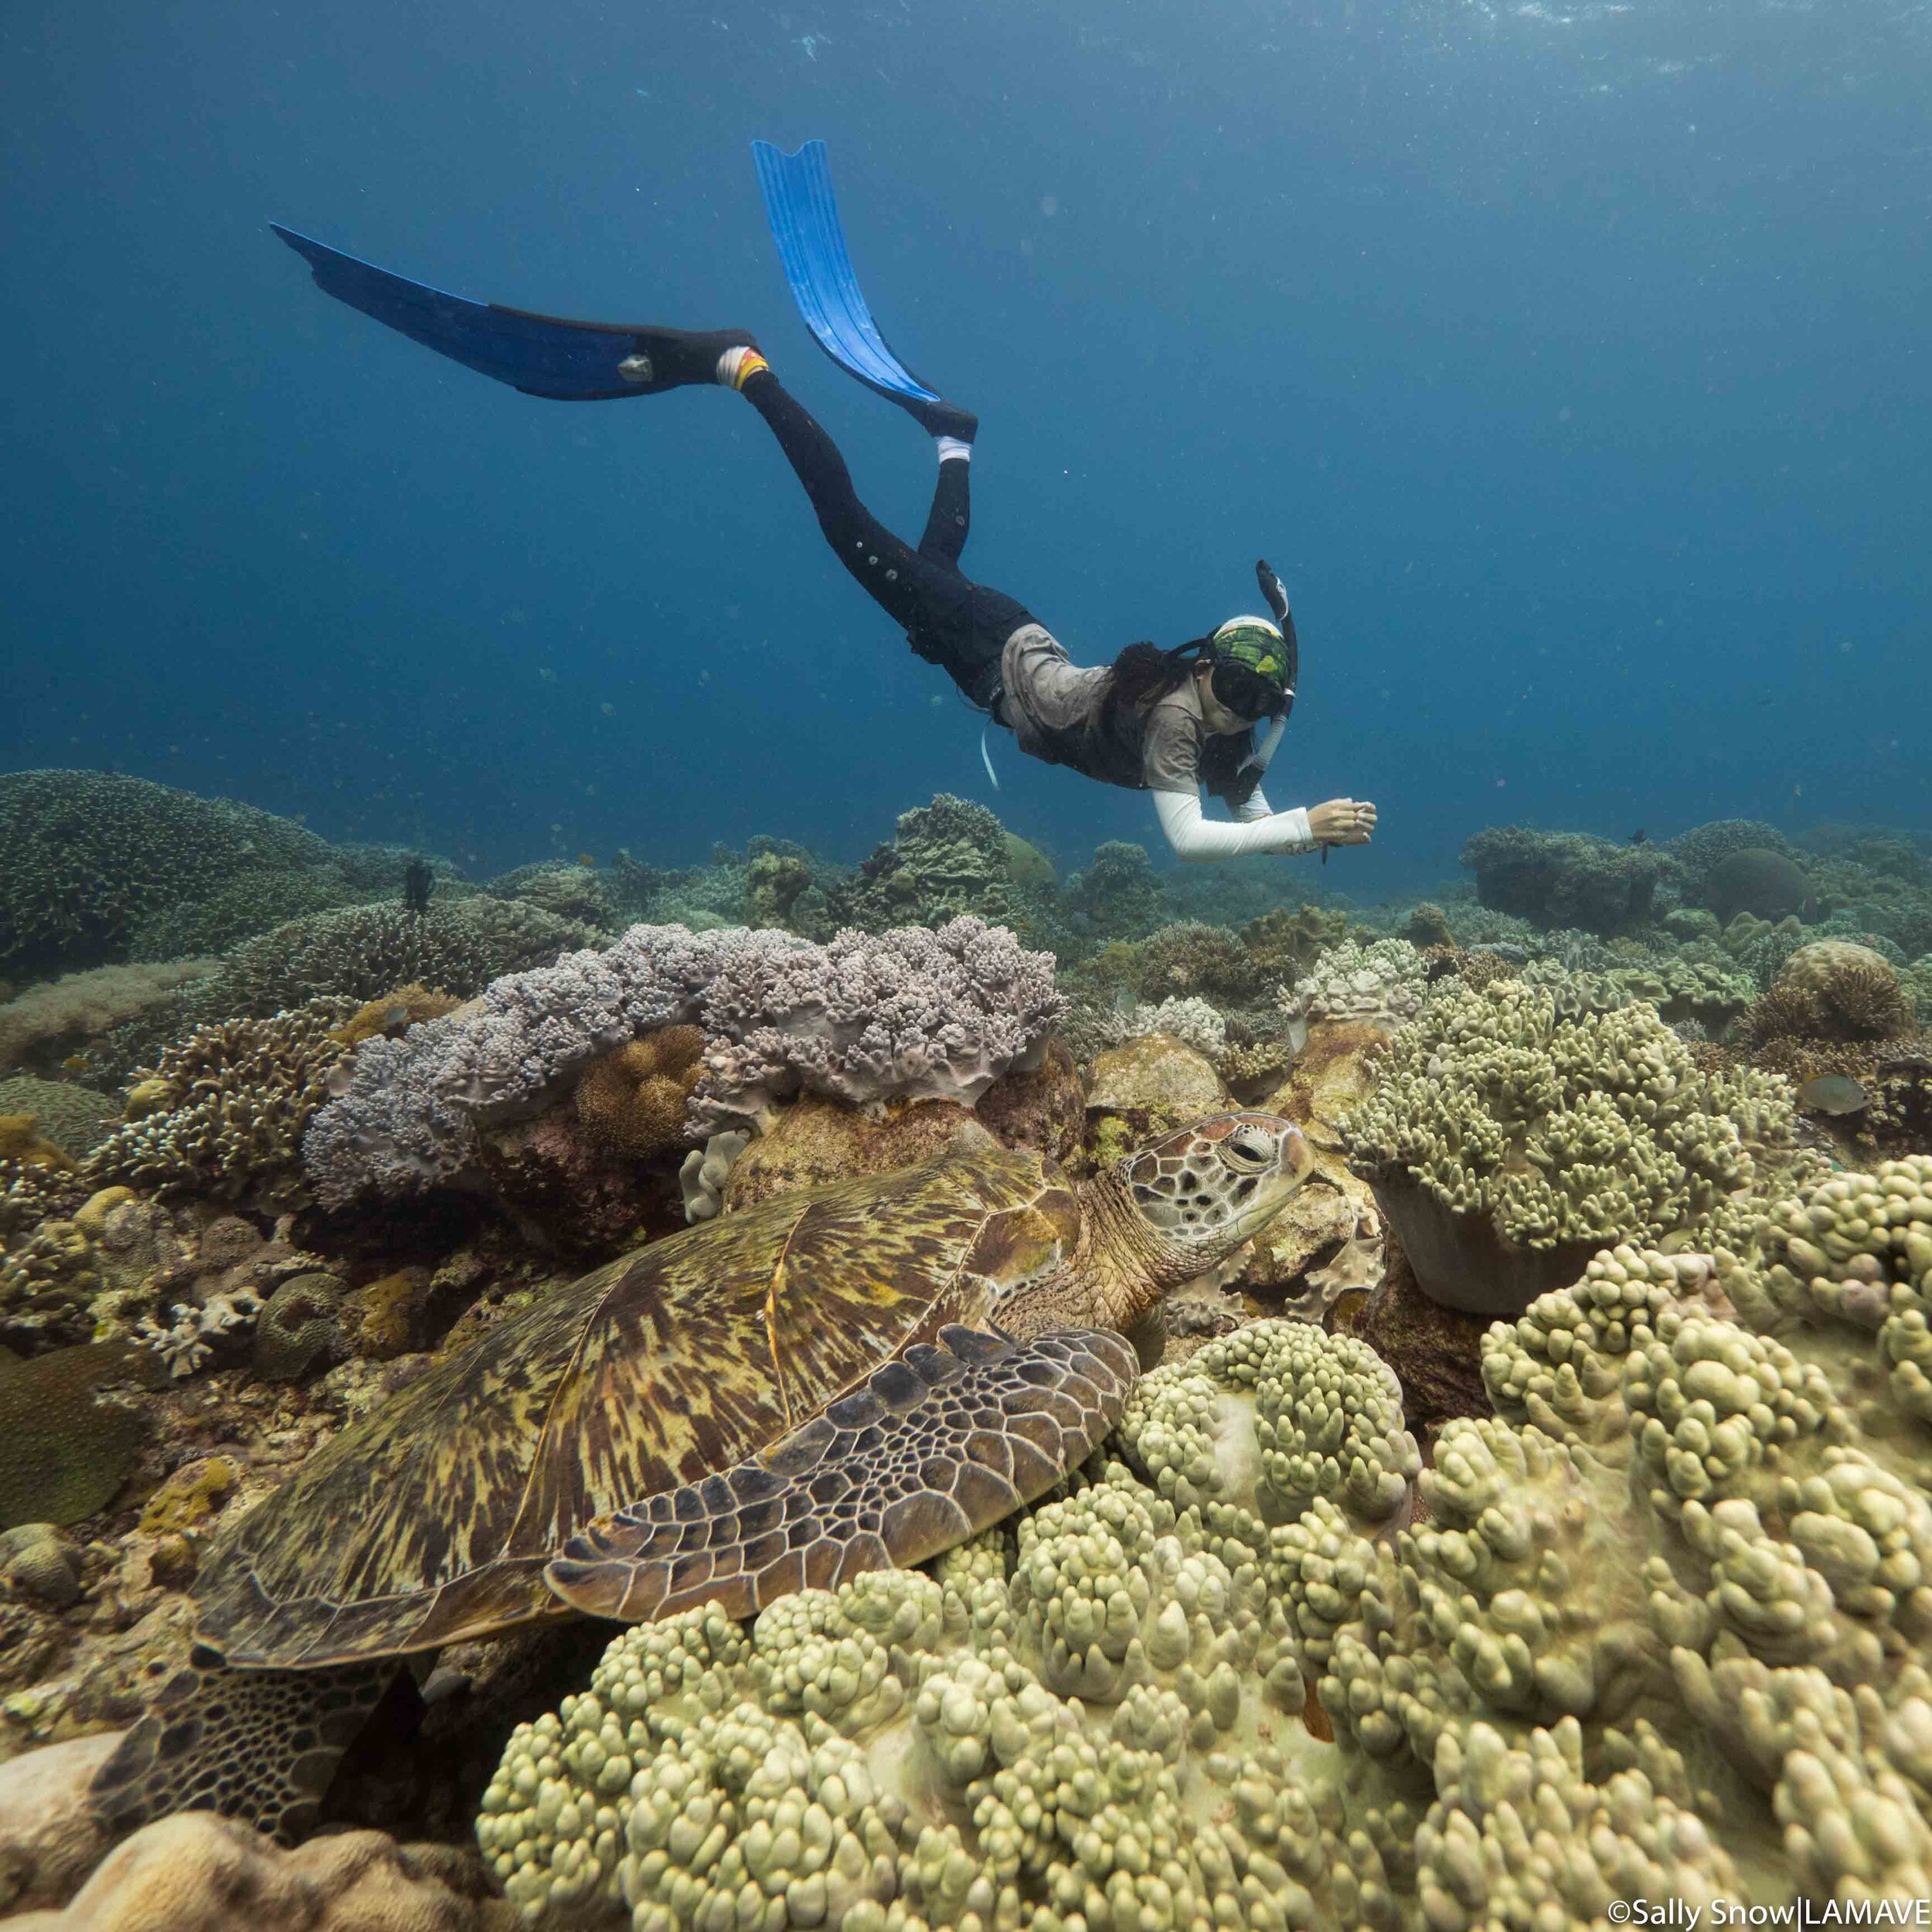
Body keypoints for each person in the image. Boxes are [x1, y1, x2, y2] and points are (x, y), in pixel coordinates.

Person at [270, 143, 1376, 864]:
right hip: (992, 654)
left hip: (997, 643)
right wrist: (1302, 831)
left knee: (924, 570)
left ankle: (954, 442)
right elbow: (1191, 841)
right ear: (1201, 670)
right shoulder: (1186, 717)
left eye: (1250, 693)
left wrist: (1292, 806)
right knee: (849, 531)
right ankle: (738, 365)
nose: (1231, 704)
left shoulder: (1253, 724)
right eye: (1226, 681)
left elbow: (1245, 801)